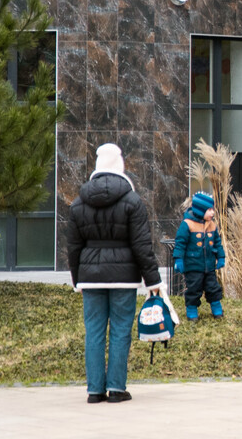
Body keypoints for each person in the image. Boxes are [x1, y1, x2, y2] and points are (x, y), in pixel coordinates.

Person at [66, 143, 162, 404]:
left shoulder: (78, 203)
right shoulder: (132, 201)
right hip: (124, 277)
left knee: (94, 332)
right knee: (120, 331)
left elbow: (73, 247)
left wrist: (77, 280)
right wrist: (153, 281)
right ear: (120, 166)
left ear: (97, 166)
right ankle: (117, 389)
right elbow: (142, 245)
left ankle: (94, 391)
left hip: (90, 277)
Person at [172, 191, 226, 321]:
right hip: (193, 266)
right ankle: (191, 309)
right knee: (193, 289)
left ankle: (216, 308)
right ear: (201, 210)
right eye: (209, 210)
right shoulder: (187, 224)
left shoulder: (212, 225)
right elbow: (180, 243)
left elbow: (217, 243)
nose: (212, 213)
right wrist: (178, 259)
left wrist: (221, 257)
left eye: (213, 209)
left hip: (209, 266)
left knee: (213, 288)